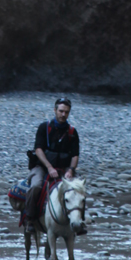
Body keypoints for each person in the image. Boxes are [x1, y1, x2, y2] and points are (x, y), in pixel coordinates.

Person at [25, 97, 85, 234]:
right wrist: (49, 167)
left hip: (64, 169)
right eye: (61, 111)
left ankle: (80, 222)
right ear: (55, 110)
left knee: (79, 190)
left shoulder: (72, 133)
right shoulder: (44, 128)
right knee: (35, 186)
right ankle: (30, 219)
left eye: (67, 112)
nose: (63, 114)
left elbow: (75, 155)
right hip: (42, 166)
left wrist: (71, 170)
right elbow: (38, 149)